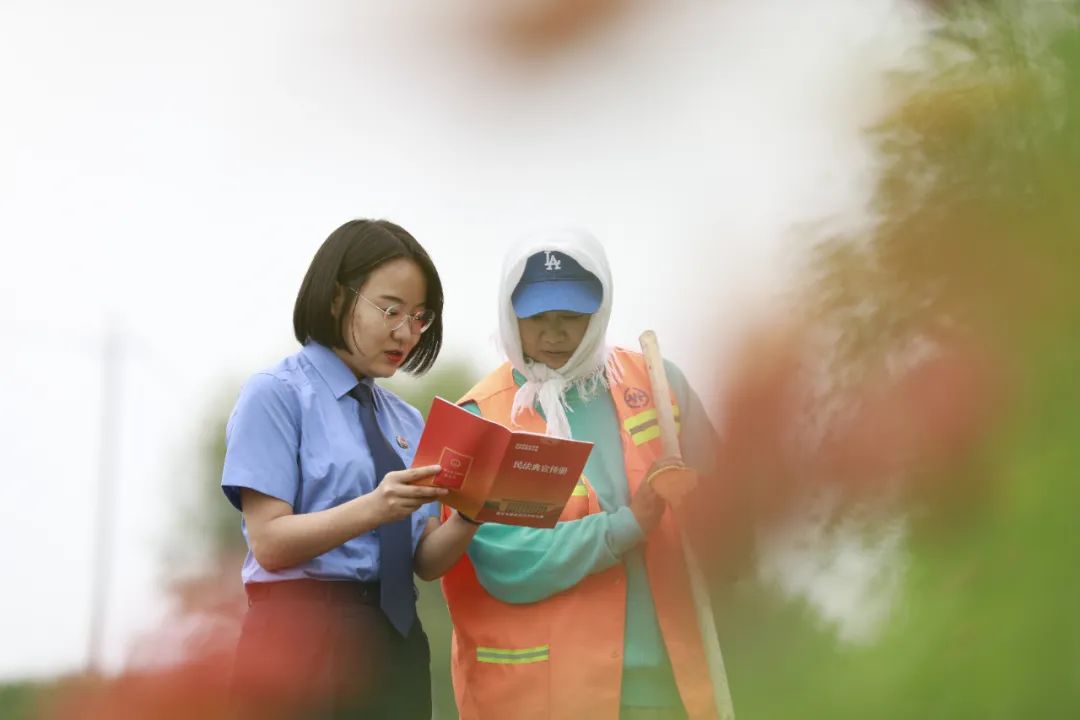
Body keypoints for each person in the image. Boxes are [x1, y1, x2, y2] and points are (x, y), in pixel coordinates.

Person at [441, 228, 736, 720]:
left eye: (571, 316)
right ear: (510, 315)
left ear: (599, 312)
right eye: (537, 317)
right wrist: (630, 523)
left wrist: (707, 503)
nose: (554, 334)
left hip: (672, 691)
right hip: (541, 701)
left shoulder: (660, 384)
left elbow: (735, 508)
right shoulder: (480, 417)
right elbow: (508, 561)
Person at [221, 219, 480, 719]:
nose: (405, 332)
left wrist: (473, 513)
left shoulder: (407, 420)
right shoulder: (276, 394)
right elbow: (269, 542)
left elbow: (424, 562)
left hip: (397, 640)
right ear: (338, 298)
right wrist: (375, 507)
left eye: (420, 317)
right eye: (391, 310)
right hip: (299, 638)